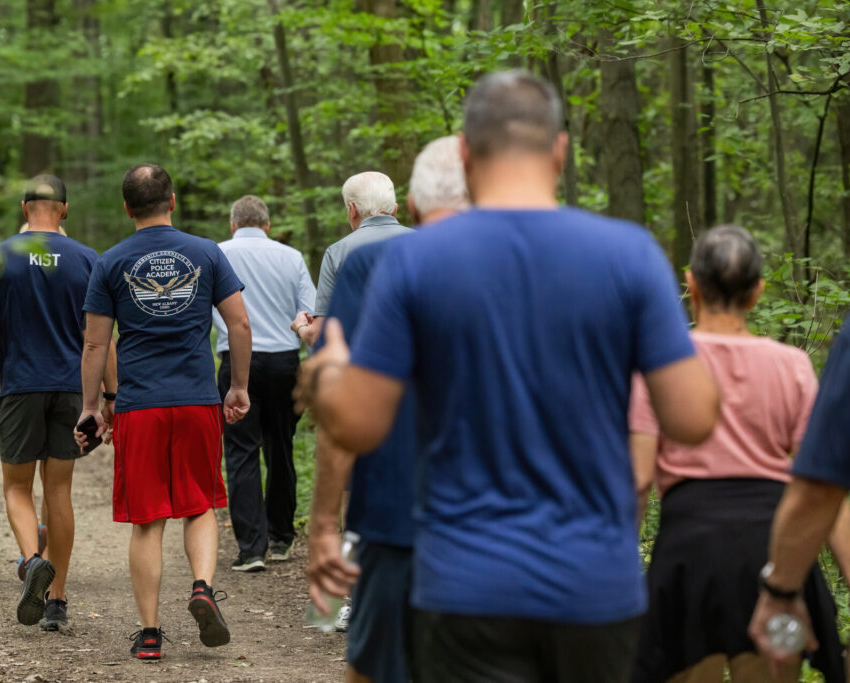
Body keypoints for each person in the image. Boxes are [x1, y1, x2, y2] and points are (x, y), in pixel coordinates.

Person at [296, 70, 719, 683]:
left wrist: (330, 374)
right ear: (560, 150)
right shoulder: (629, 254)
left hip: (465, 584)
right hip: (595, 584)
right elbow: (692, 417)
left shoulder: (415, 263)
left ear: (466, 152)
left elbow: (361, 425)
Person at [629, 225, 846, 683]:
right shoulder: (793, 366)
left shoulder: (662, 365)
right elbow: (823, 483)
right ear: (757, 292)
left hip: (689, 555)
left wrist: (619, 570)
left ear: (692, 285)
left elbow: (638, 481)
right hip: (770, 554)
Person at [306, 134, 469, 683]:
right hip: (500, 518)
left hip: (396, 497)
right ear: (401, 208)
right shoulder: (540, 265)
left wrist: (324, 524)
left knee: (373, 663)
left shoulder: (354, 257)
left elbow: (337, 369)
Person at [74, 163, 252, 660]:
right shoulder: (206, 252)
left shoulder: (109, 263)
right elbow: (239, 325)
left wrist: (93, 407)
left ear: (127, 208)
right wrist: (238, 387)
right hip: (197, 400)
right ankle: (200, 587)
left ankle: (150, 635)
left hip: (140, 405)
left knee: (147, 521)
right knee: (199, 506)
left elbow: (95, 344)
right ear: (172, 201)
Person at [0, 174, 115, 631]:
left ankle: (32, 560)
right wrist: (110, 396)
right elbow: (103, 338)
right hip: (72, 390)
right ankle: (57, 601)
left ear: (23, 207)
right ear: (65, 211)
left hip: (20, 387)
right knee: (59, 492)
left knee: (17, 487)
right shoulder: (88, 259)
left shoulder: (1, 257)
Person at [210, 195, 316, 572]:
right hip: (285, 362)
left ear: (233, 224)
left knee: (240, 452)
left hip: (238, 363)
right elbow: (309, 310)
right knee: (281, 448)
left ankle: (251, 549)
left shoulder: (217, 254)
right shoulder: (292, 257)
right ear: (267, 225)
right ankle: (282, 537)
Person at [748, 323, 850, 671]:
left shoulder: (672, 360)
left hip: (692, 543)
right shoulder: (791, 364)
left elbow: (823, 485)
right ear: (756, 292)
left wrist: (780, 593)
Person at [291, 171, 412, 347]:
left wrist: (300, 326)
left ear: (352, 210)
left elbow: (318, 336)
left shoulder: (337, 253)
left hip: (362, 366)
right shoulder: (429, 244)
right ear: (395, 209)